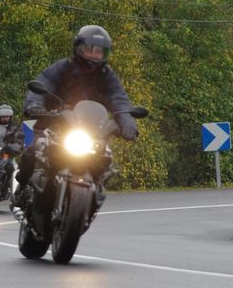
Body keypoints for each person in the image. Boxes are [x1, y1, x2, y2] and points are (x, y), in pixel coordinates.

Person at [11, 24, 138, 208]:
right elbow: (44, 82)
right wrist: (35, 104)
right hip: (54, 123)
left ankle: (94, 192)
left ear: (105, 54)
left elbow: (119, 101)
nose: (94, 54)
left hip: (90, 131)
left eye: (99, 51)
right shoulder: (63, 67)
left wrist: (127, 124)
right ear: (78, 48)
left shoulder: (107, 77)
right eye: (89, 49)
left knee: (105, 159)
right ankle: (22, 188)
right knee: (32, 151)